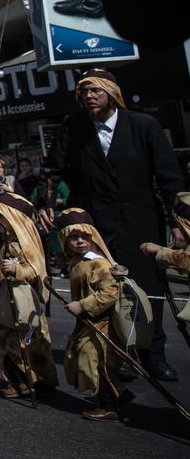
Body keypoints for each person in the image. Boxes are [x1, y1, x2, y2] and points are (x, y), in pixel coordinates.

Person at [47, 68, 184, 382]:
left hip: (139, 215)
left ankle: (154, 355)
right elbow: (53, 169)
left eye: (96, 90)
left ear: (112, 93)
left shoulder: (143, 124)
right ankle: (119, 354)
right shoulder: (74, 127)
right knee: (104, 285)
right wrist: (50, 206)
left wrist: (177, 221)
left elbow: (168, 176)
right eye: (84, 92)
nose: (89, 96)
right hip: (95, 217)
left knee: (146, 287)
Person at [56, 209, 130, 422]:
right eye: (73, 237)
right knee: (90, 360)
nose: (80, 241)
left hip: (102, 321)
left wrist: (82, 305)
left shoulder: (99, 263)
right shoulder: (77, 261)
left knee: (94, 361)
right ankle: (119, 396)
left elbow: (110, 292)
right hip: (88, 322)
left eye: (84, 236)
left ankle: (110, 407)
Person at [0, 192, 57, 399]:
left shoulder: (24, 244)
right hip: (9, 302)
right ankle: (33, 381)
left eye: (0, 216)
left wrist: (17, 269)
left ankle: (24, 382)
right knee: (9, 338)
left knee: (16, 341)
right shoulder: (8, 241)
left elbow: (34, 271)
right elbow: (1, 272)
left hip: (23, 304)